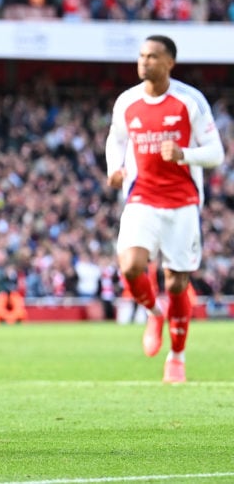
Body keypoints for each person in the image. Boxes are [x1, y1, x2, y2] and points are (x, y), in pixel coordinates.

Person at [105, 35, 224, 383]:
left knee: (176, 283)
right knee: (130, 266)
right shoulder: (127, 101)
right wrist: (114, 167)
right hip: (142, 197)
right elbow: (116, 138)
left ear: (170, 62)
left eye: (153, 57)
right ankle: (154, 314)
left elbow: (216, 153)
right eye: (142, 56)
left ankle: (177, 356)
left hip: (182, 202)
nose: (145, 62)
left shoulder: (189, 102)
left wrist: (185, 154)